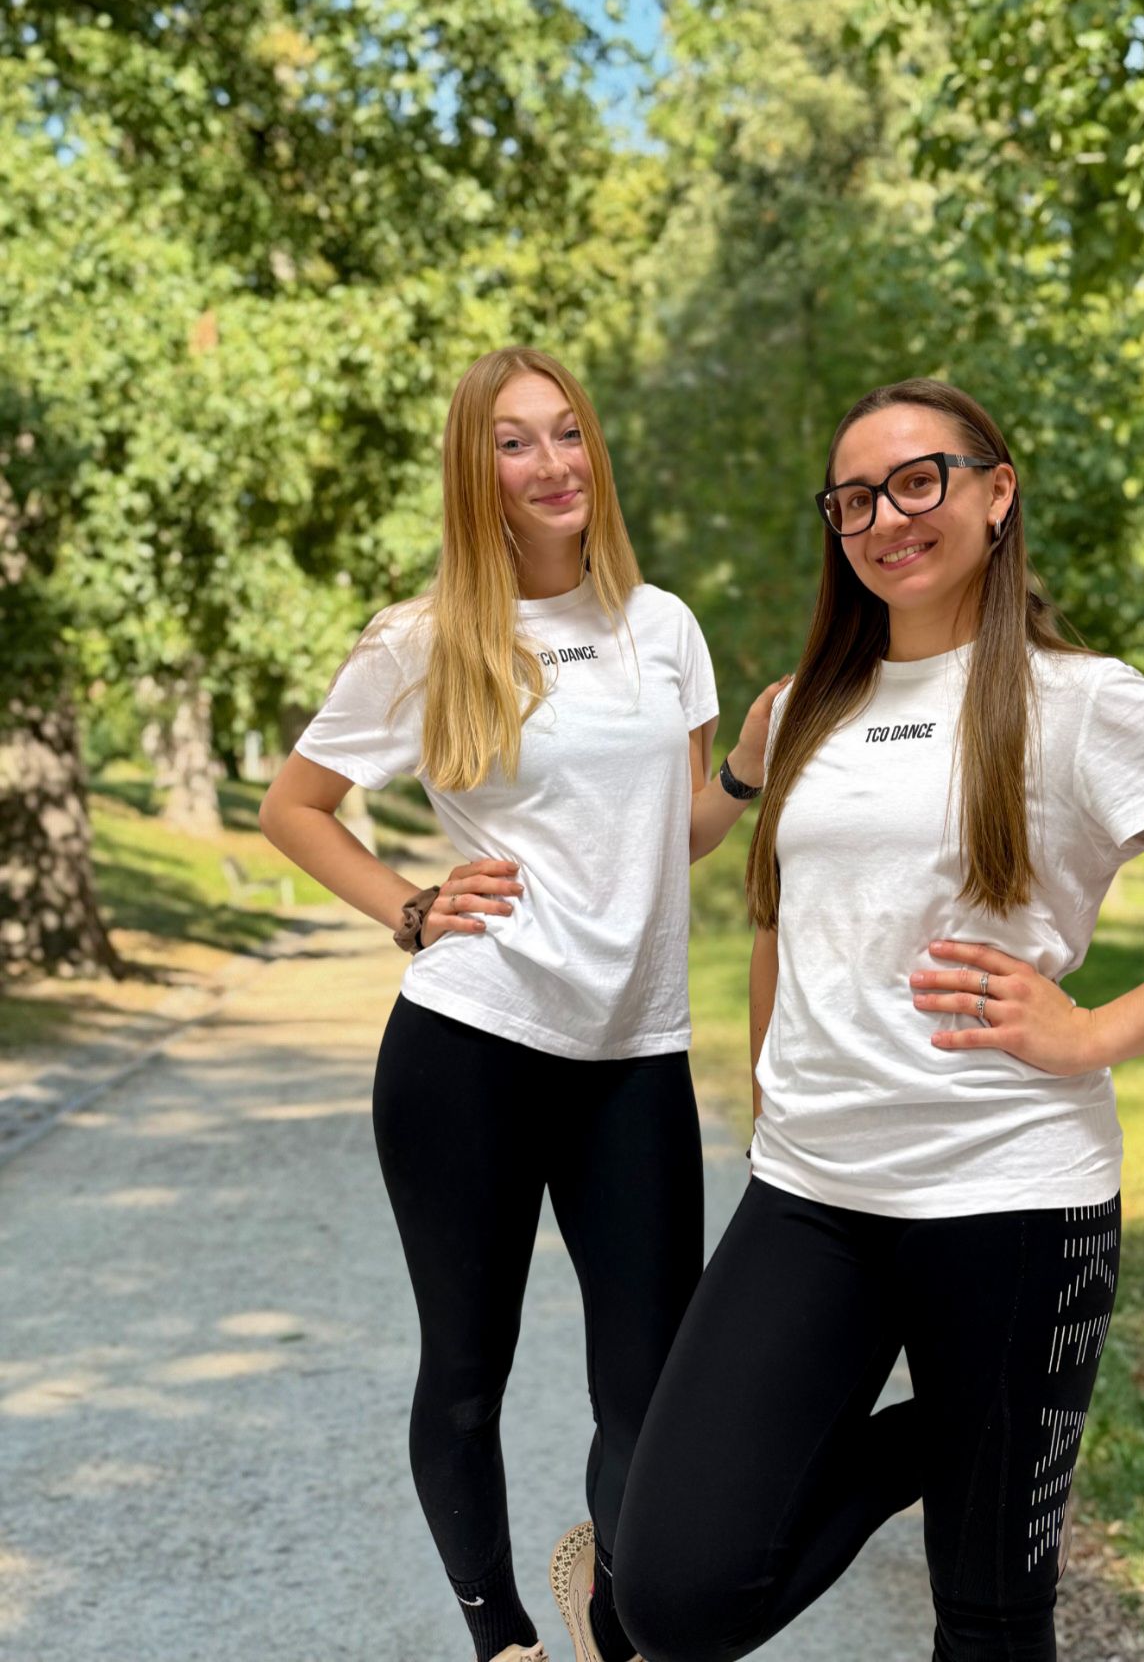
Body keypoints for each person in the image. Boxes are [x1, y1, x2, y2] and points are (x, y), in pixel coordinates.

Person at [613, 376, 1144, 1662]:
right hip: (814, 1194)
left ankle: (998, 1410)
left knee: (990, 1619)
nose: (886, 518)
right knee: (678, 1594)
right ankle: (976, 1421)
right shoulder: (801, 707)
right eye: (855, 499)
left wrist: (1095, 1032)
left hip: (1009, 1199)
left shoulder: (1085, 701)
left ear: (997, 492)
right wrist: (773, 1093)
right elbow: (784, 911)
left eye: (920, 480)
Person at [259, 347, 784, 1662]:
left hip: (635, 1051)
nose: (552, 462)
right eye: (513, 441)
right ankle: (503, 1639)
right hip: (470, 1043)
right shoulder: (426, 637)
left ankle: (611, 1618)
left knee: (652, 1393)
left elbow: (675, 835)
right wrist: (410, 907)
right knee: (466, 1365)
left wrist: (746, 771)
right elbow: (295, 807)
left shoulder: (661, 625)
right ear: (475, 471)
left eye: (567, 432)